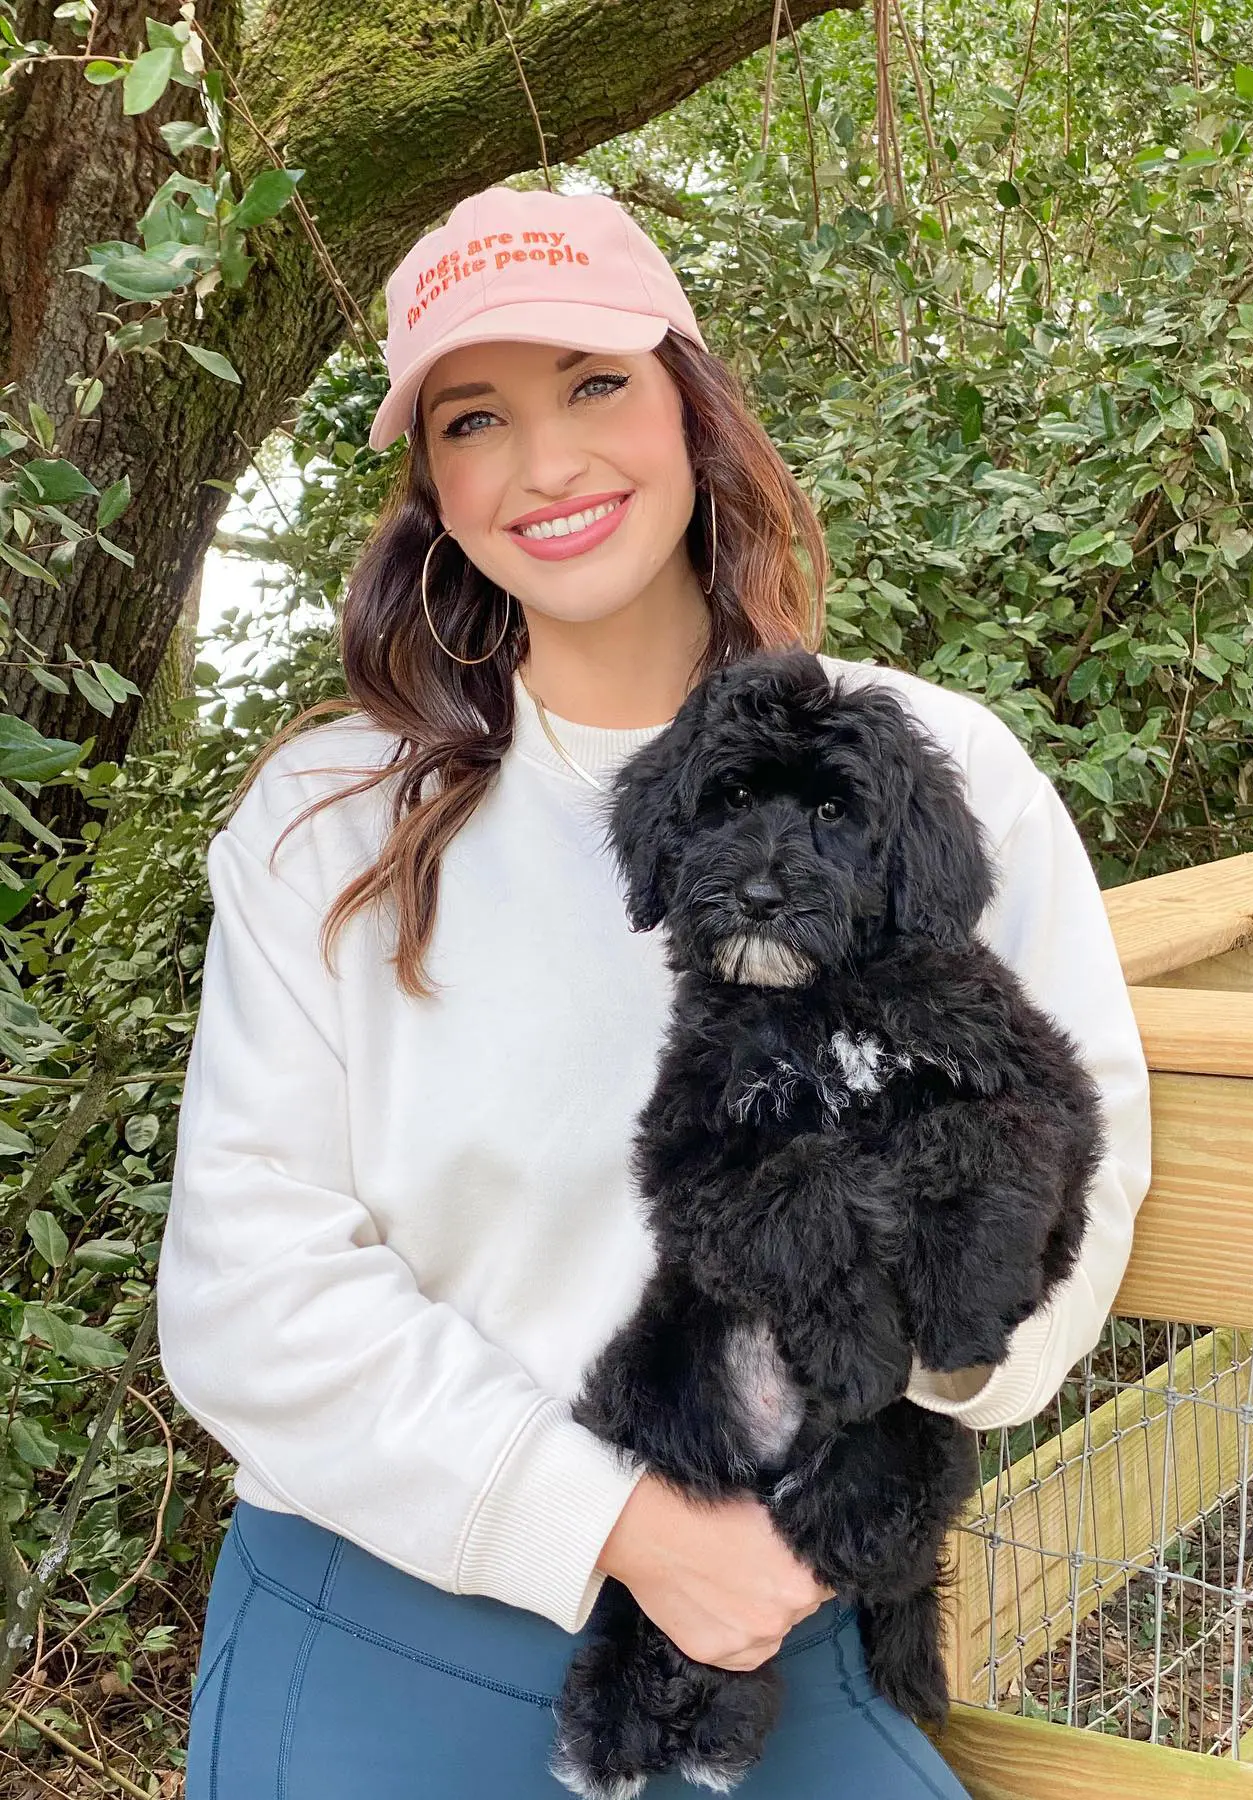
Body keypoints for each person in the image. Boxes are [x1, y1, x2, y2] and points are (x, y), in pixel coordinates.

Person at [156, 183, 1152, 1799]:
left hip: (791, 1631)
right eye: (478, 418)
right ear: (434, 484)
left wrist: (903, 1376)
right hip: (387, 1638)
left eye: (597, 385)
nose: (548, 467)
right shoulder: (335, 822)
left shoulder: (934, 770)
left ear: (692, 405)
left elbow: (1078, 1164)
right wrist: (614, 1524)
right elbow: (244, 1276)